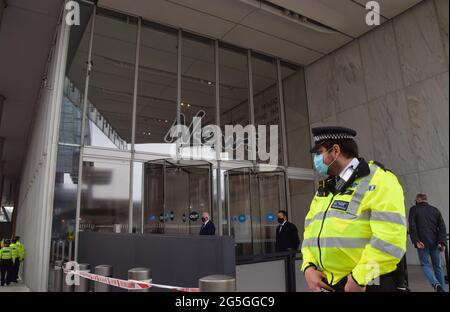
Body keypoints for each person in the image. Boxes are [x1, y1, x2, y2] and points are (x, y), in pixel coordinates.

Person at [301, 126, 407, 292]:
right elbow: (309, 233)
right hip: (328, 282)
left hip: (366, 284)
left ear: (335, 151)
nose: (316, 159)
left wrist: (360, 278)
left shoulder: (379, 179)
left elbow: (391, 240)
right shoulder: (326, 188)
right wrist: (308, 267)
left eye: (319, 152)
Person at [408, 193, 447, 292]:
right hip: (435, 243)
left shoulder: (414, 209)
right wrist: (442, 242)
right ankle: (442, 289)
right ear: (426, 200)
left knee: (425, 265)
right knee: (437, 266)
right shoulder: (435, 210)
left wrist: (416, 241)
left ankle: (436, 284)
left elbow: (412, 226)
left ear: (418, 199)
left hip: (422, 243)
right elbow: (442, 227)